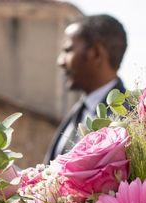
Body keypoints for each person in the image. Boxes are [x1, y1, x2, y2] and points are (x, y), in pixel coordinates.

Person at [44, 14, 127, 164]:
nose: (60, 61)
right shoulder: (79, 111)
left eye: (68, 50)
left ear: (95, 53)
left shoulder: (129, 119)